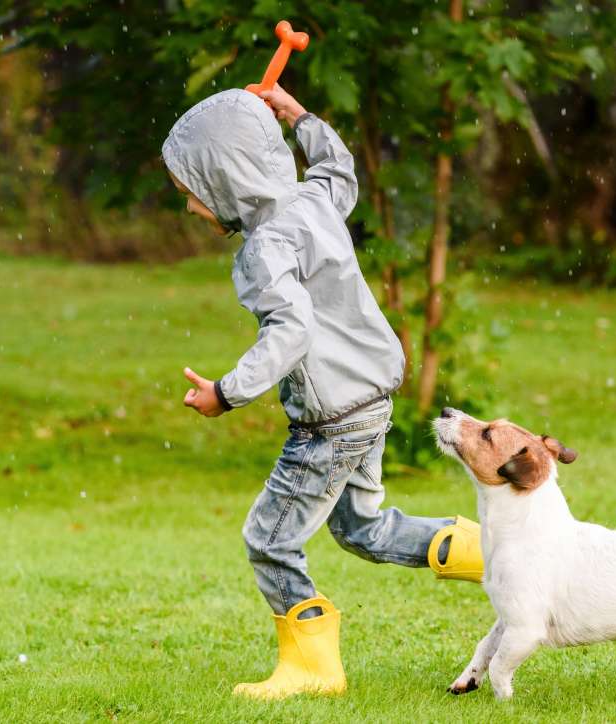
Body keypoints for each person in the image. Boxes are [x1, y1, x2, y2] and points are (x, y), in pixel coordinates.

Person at [162, 84, 483, 700]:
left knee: (269, 537)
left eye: (191, 194)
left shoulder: (265, 248)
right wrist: (299, 116)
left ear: (227, 181)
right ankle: (490, 554)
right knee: (366, 531)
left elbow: (292, 329)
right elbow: (339, 169)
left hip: (331, 419)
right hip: (370, 403)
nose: (191, 210)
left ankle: (313, 666)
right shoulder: (313, 202)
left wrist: (227, 393)